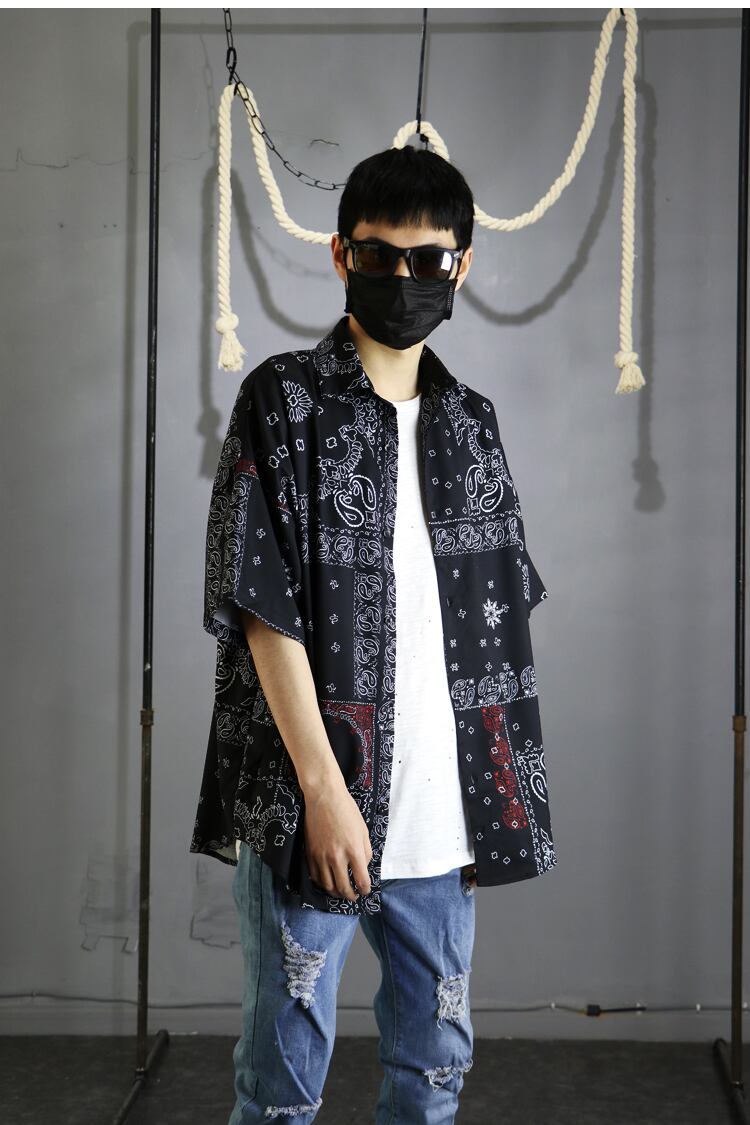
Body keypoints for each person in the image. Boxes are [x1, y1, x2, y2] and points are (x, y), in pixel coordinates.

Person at [191, 145, 556, 1124]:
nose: (404, 277)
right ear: (340, 254)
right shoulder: (283, 401)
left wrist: (492, 797)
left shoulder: (471, 424)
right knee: (280, 1089)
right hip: (315, 810)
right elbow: (259, 607)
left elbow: (497, 632)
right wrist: (323, 794)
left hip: (442, 820)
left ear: (462, 266)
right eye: (379, 255)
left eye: (427, 259)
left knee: (433, 1076)